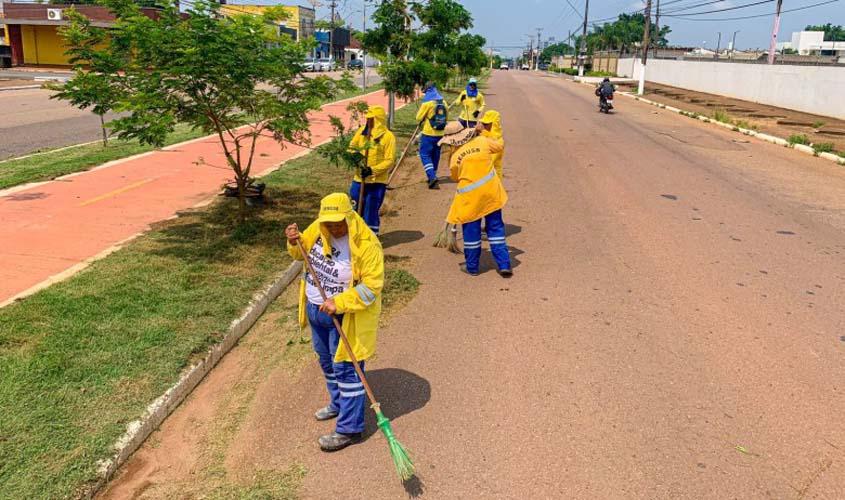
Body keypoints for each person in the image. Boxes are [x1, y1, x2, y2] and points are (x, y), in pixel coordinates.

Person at [285, 193, 385, 452]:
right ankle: (338, 403)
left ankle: (350, 429)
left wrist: (339, 303)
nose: (333, 228)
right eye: (328, 223)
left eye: (338, 223)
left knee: (347, 370)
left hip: (344, 317)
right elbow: (300, 254)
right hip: (315, 310)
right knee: (327, 362)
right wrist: (293, 241)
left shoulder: (367, 244)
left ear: (349, 217)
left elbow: (372, 287)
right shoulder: (318, 228)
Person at [446, 111, 513, 277]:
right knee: (496, 228)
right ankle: (504, 264)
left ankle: (472, 267)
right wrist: (483, 132)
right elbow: (499, 146)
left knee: (471, 232)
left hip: (470, 200)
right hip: (491, 195)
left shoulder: (455, 157)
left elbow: (455, 177)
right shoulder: (482, 141)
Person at [348, 105, 395, 235]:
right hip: (359, 179)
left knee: (371, 210)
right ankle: (354, 234)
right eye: (367, 118)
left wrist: (372, 170)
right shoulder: (361, 132)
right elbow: (352, 147)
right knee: (355, 207)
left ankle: (371, 237)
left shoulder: (388, 137)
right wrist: (356, 158)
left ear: (378, 120)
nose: (368, 121)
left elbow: (389, 160)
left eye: (371, 119)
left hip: (377, 182)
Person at [416, 82, 448, 189]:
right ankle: (433, 175)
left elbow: (418, 117)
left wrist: (425, 117)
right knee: (436, 154)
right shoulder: (443, 102)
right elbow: (446, 117)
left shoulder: (427, 103)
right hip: (440, 133)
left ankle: (432, 176)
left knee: (424, 154)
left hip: (429, 133)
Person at [478, 110, 504, 179]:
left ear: (493, 124)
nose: (483, 126)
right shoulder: (484, 134)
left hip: (493, 178)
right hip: (485, 176)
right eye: (483, 123)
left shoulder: (497, 141)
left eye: (485, 124)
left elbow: (489, 161)